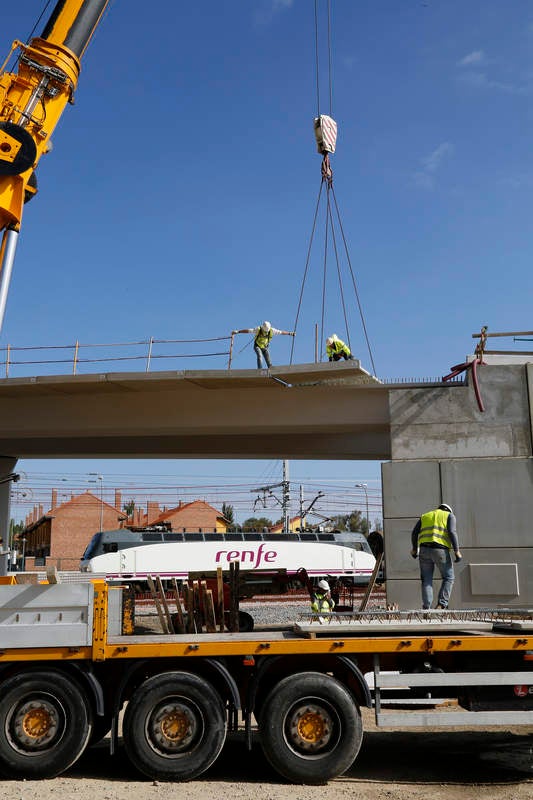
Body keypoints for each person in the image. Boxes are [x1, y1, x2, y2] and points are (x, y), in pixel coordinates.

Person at [411, 503, 463, 610]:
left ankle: (426, 608)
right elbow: (452, 532)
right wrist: (457, 551)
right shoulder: (449, 516)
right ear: (448, 510)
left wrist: (415, 549)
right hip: (440, 550)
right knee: (449, 577)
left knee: (426, 579)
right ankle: (441, 604)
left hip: (424, 550)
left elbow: (414, 533)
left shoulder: (425, 516)